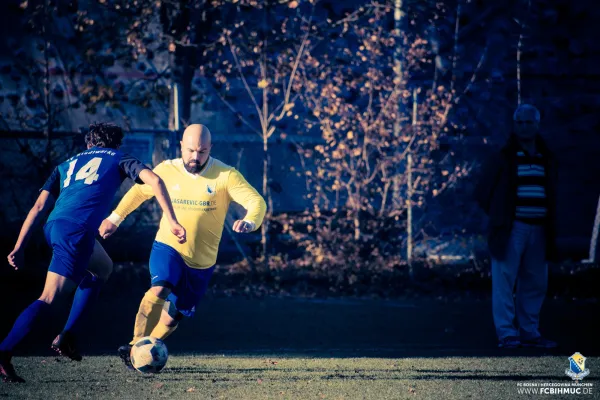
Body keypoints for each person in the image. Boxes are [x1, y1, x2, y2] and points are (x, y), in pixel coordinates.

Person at [0, 123, 186, 383]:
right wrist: (173, 219)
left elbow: (39, 205)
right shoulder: (119, 157)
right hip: (76, 231)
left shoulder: (66, 164)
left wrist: (19, 246)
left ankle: (67, 335)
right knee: (49, 297)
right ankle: (4, 352)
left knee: (102, 268)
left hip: (54, 226)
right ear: (116, 144)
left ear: (89, 144)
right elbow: (155, 179)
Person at [98, 124, 266, 369]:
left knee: (176, 313)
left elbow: (256, 201)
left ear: (210, 149)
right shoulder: (166, 170)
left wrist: (250, 221)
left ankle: (149, 347)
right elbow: (138, 193)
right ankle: (135, 345)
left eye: (202, 152)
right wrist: (114, 218)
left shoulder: (225, 175)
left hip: (202, 262)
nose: (195, 158)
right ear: (181, 147)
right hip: (169, 246)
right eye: (190, 151)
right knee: (160, 287)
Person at [475, 104, 558, 349]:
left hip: (539, 228)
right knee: (504, 281)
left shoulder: (546, 157)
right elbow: (483, 192)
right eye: (519, 122)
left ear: (537, 125)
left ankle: (530, 331)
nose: (524, 127)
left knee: (536, 282)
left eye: (528, 122)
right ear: (515, 125)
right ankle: (507, 333)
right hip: (513, 228)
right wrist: (500, 216)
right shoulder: (504, 156)